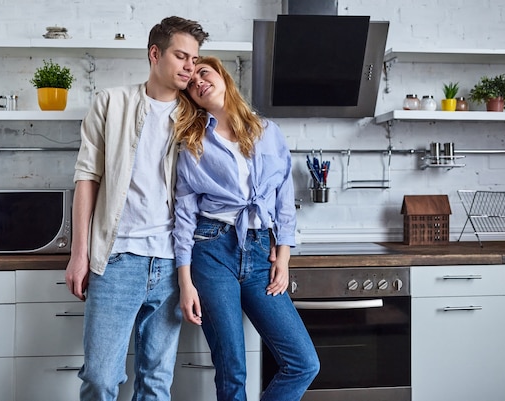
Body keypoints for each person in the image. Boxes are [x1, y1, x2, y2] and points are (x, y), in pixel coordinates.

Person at [64, 16, 209, 401]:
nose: (188, 67)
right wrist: (80, 255)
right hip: (116, 260)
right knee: (99, 377)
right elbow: (86, 179)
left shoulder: (195, 116)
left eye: (193, 60)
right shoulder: (111, 102)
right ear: (154, 53)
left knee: (156, 383)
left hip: (171, 264)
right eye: (181, 56)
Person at [172, 56, 320, 401]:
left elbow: (285, 197)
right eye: (191, 83)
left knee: (303, 362)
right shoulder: (193, 143)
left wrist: (283, 257)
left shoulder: (268, 131)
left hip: (259, 253)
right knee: (232, 367)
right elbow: (183, 216)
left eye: (203, 73)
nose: (198, 82)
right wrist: (185, 282)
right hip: (210, 251)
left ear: (222, 76)